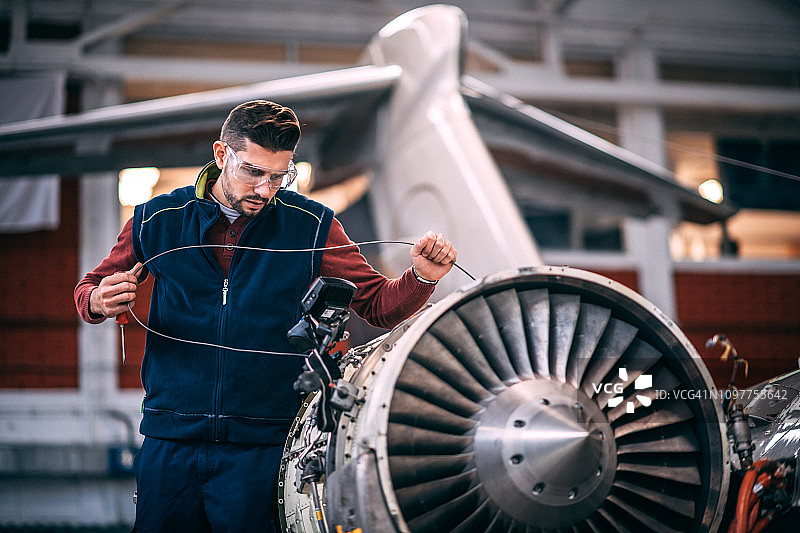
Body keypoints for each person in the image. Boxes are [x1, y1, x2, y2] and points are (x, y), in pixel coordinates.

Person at [74, 100, 457, 533]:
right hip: (170, 439)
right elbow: (89, 288)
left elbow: (378, 306)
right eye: (253, 172)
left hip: (262, 447)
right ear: (222, 155)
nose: (265, 189)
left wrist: (422, 278)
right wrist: (99, 301)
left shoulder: (312, 226)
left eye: (279, 175)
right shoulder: (156, 219)